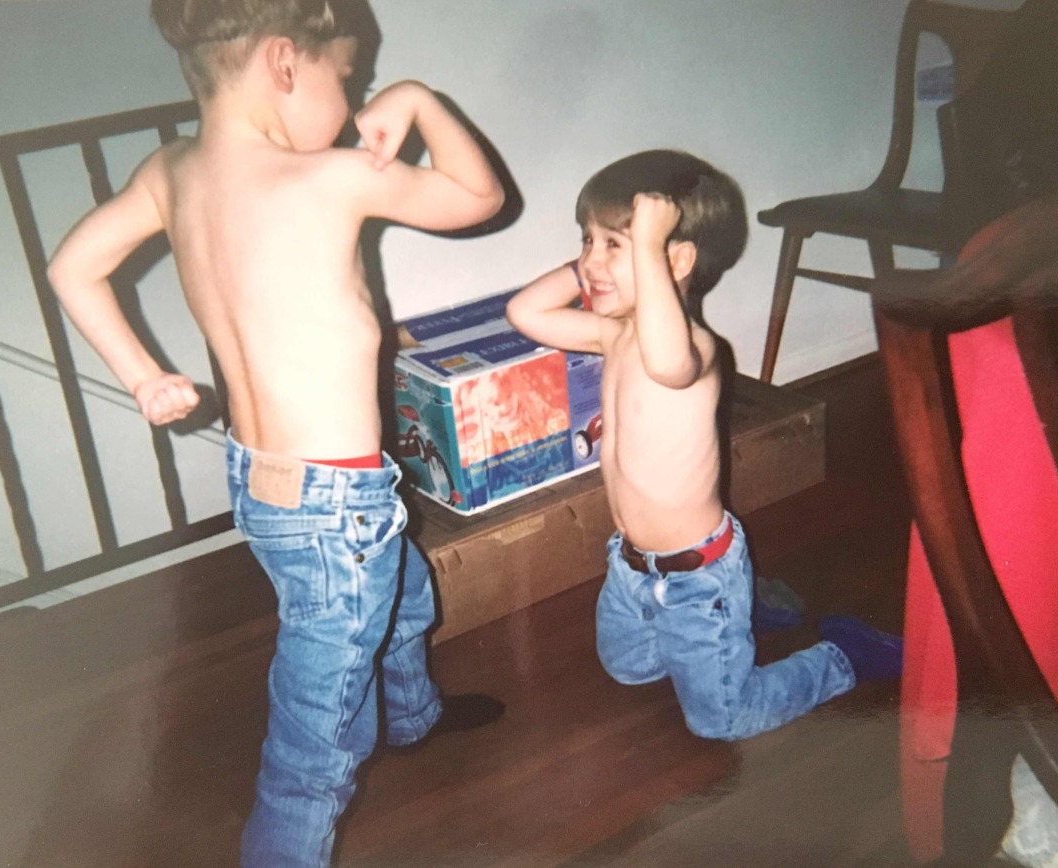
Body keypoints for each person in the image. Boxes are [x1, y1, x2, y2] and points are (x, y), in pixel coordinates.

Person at [47, 1, 506, 864]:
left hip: (263, 484)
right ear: (286, 63)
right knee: (315, 745)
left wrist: (144, 376)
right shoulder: (330, 177)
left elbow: (71, 266)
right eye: (351, 78)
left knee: (405, 598)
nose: (356, 101)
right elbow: (480, 198)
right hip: (338, 507)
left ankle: (413, 718)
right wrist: (417, 99)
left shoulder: (170, 170)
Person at [506, 150, 902, 741]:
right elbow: (525, 312)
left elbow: (669, 364)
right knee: (629, 668)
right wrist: (599, 260)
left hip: (697, 576)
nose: (591, 260)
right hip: (631, 566)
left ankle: (841, 657)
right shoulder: (613, 335)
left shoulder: (694, 347)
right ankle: (746, 614)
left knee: (723, 720)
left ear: (677, 260)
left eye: (613, 245)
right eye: (587, 241)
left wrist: (644, 247)